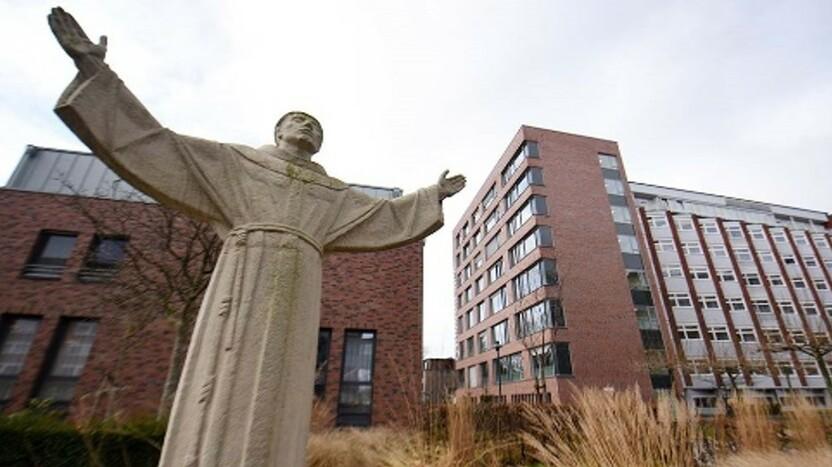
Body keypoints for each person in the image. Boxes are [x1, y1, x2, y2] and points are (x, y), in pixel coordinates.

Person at [48, 7, 465, 467]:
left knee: (284, 385)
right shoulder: (235, 164)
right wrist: (97, 73)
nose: (307, 127)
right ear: (279, 131)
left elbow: (385, 214)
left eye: (315, 127)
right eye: (298, 120)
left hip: (300, 284)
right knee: (224, 376)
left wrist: (432, 195)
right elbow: (157, 144)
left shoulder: (333, 194)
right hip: (243, 273)